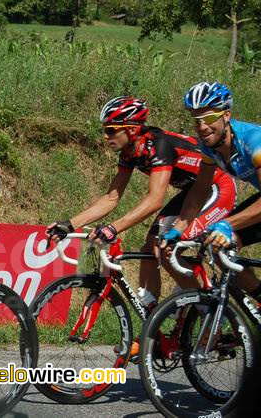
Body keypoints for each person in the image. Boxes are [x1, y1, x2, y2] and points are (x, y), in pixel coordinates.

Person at [46, 96, 236, 354]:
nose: (105, 136)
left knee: (168, 247)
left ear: (132, 129)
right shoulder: (129, 151)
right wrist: (70, 224)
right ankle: (154, 323)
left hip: (217, 188)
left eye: (111, 130)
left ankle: (211, 314)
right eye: (104, 130)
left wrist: (113, 228)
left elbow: (155, 199)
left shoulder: (158, 146)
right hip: (192, 192)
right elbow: (112, 197)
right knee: (151, 246)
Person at [162, 82, 261, 299]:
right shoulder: (210, 148)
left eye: (208, 118)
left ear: (226, 115)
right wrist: (178, 229)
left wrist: (227, 223)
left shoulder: (254, 142)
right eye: (197, 121)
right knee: (218, 247)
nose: (202, 127)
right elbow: (199, 191)